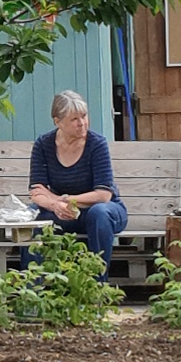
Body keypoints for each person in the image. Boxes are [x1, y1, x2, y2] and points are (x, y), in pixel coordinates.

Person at [25, 93, 126, 264]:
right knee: (34, 216)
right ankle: (33, 279)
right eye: (74, 119)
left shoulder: (97, 144)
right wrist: (54, 205)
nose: (82, 123)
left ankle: (97, 277)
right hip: (63, 212)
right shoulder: (44, 144)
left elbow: (103, 195)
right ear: (57, 122)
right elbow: (36, 191)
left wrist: (63, 199)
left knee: (99, 212)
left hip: (100, 211)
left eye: (84, 116)